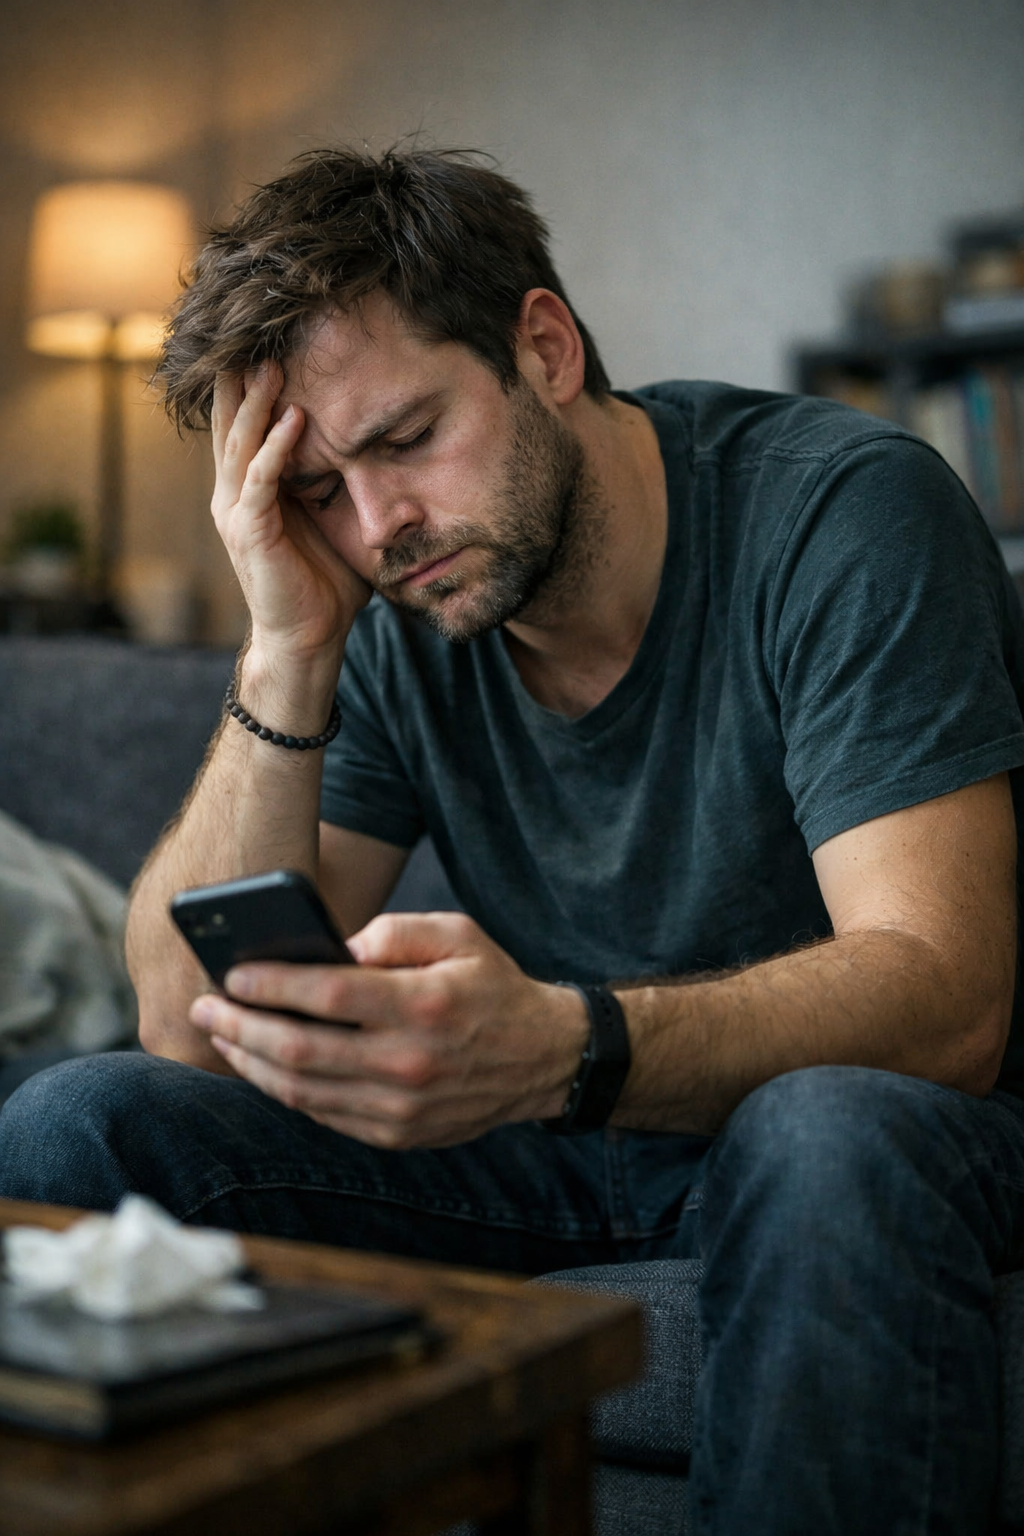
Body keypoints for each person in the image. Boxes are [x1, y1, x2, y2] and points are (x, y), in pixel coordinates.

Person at [3, 145, 1024, 1534]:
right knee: (79, 1118)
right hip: (559, 1145)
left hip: (854, 1135)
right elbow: (183, 1025)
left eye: (406, 438)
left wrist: (559, 1043)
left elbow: (949, 996)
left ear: (543, 348)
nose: (379, 528)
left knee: (830, 1129)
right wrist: (288, 645)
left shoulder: (840, 514)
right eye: (319, 492)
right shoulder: (389, 599)